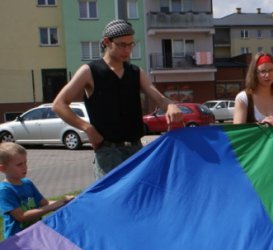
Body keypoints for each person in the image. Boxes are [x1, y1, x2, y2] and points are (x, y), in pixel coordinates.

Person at [53, 19, 182, 179]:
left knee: (139, 200)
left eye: (131, 44)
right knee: (112, 202)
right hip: (108, 152)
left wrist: (170, 106)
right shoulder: (89, 71)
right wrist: (87, 128)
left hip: (136, 149)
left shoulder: (135, 72)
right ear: (107, 42)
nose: (127, 50)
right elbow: (59, 104)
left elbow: (159, 98)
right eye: (122, 44)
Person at [0, 143, 73, 239]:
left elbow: (44, 203)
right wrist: (52, 207)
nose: (25, 167)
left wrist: (65, 202)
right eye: (19, 165)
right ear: (3, 168)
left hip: (35, 234)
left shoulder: (27, 183)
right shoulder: (5, 190)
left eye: (25, 162)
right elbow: (21, 216)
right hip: (17, 240)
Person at [233, 52, 273, 128]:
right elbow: (238, 133)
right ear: (254, 74)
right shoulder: (243, 98)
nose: (267, 75)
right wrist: (262, 126)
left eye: (271, 70)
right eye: (263, 71)